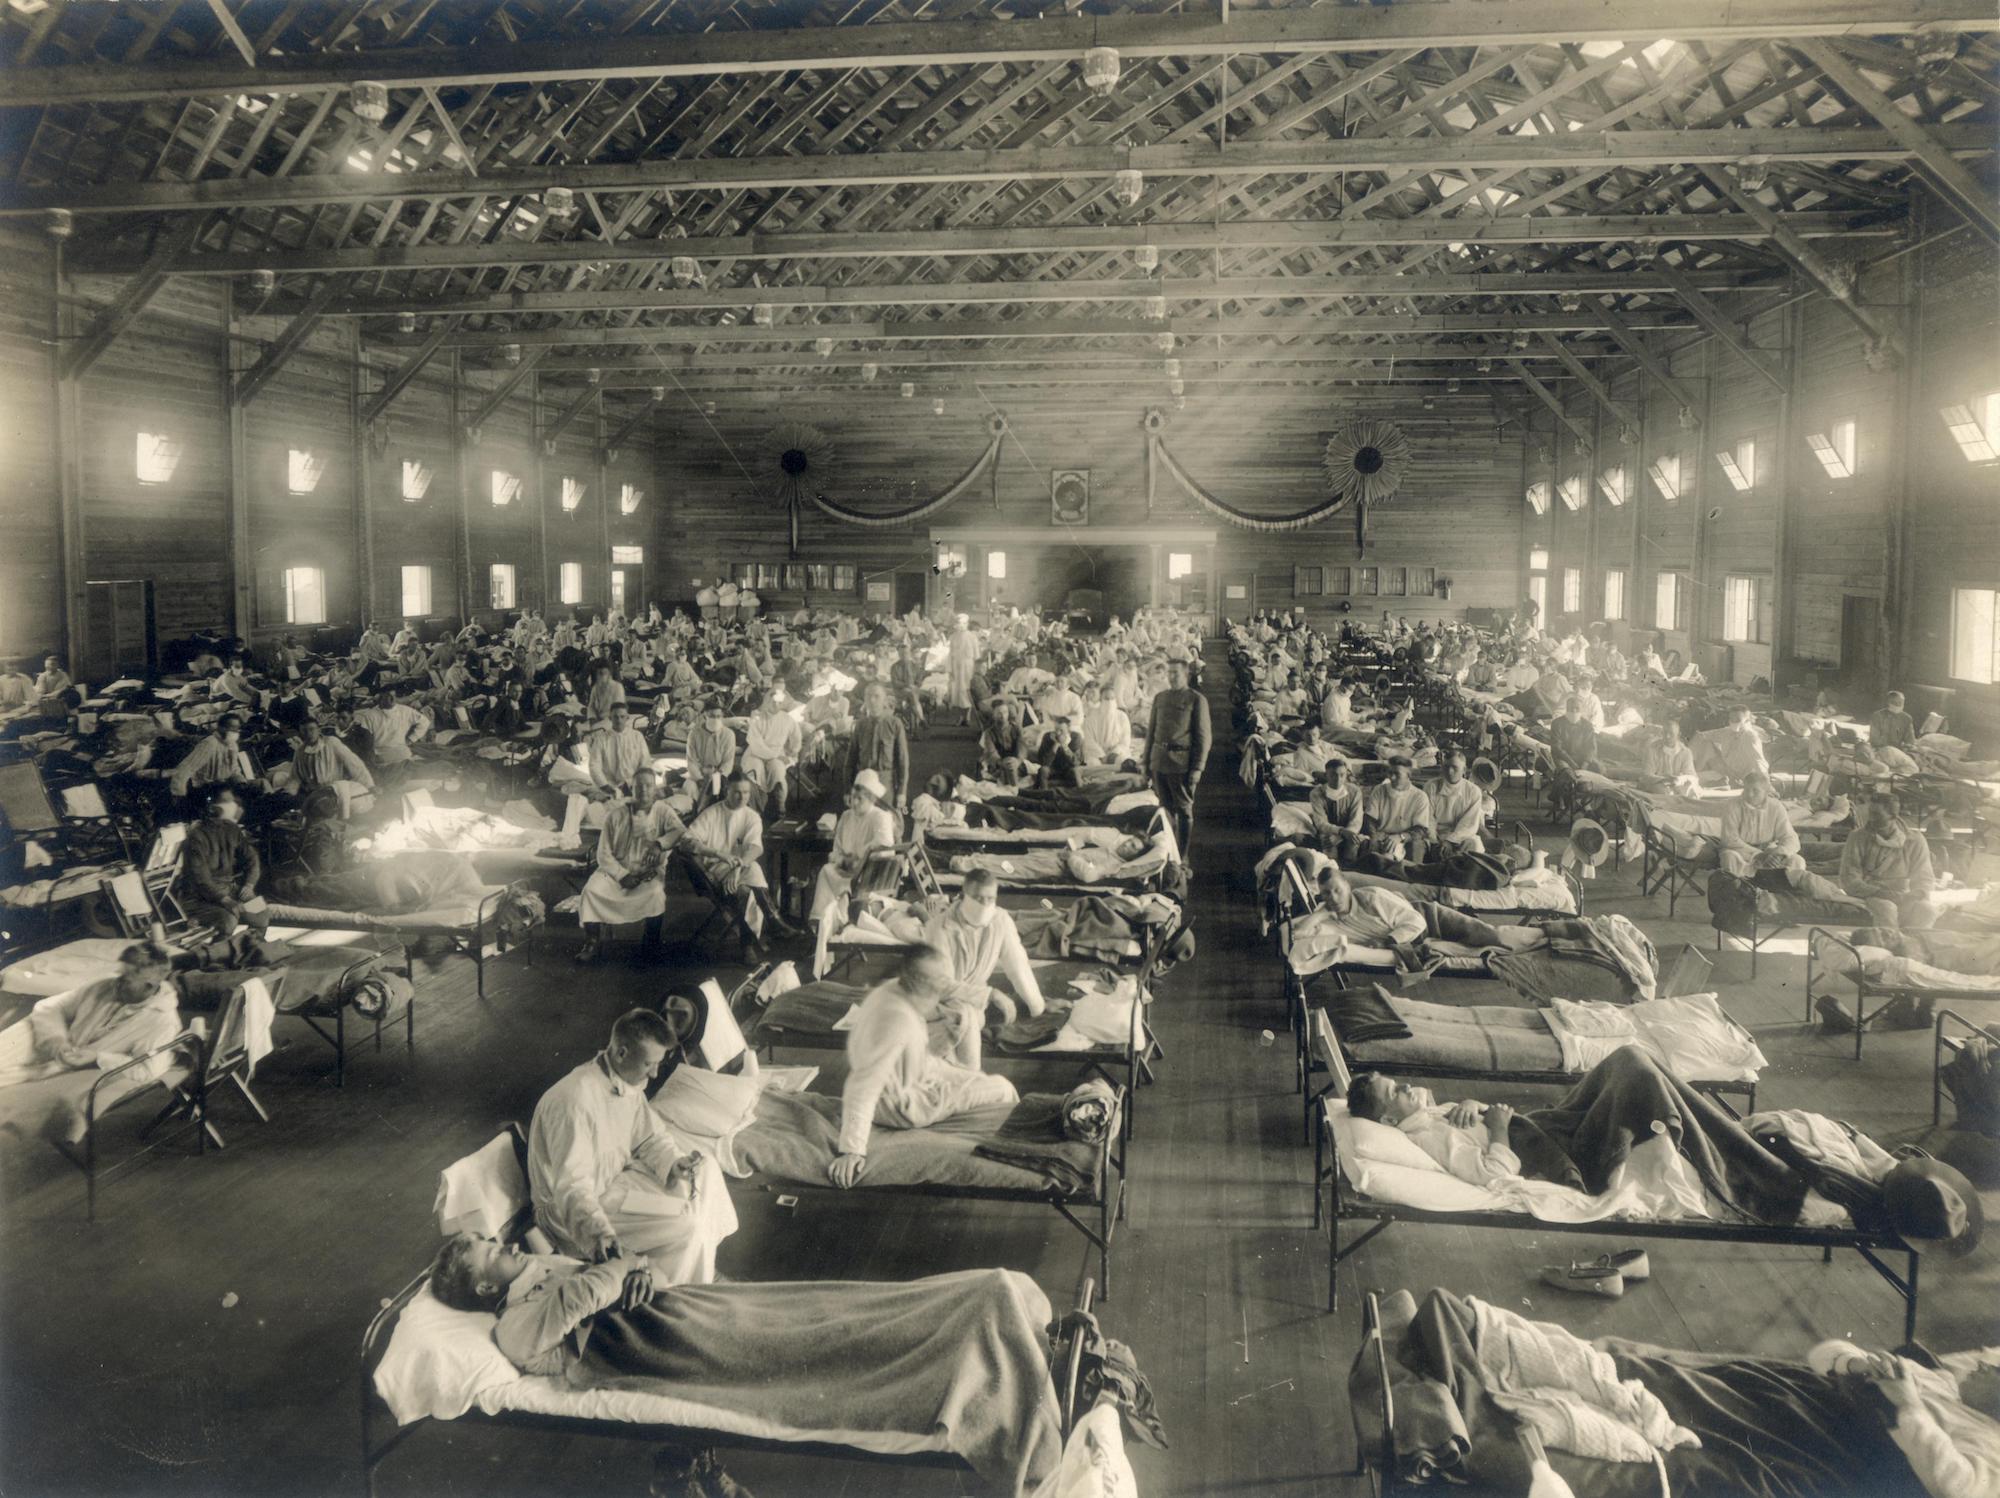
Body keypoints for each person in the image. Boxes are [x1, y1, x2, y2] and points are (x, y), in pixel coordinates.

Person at [527, 1009, 737, 1285]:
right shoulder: (573, 1102)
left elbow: (650, 1138)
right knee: (687, 1225)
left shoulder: (626, 1080)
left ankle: (701, 1264)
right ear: (622, 1053)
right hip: (571, 1213)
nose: (655, 1073)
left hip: (612, 1185)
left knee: (706, 1167)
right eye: (649, 1064)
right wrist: (598, 1233)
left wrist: (674, 1163)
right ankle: (683, 1294)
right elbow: (572, 1188)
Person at [829, 945, 1021, 1188]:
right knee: (1003, 1088)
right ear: (920, 984)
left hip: (913, 1077)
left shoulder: (894, 990)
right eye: (935, 986)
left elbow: (945, 986)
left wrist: (990, 994)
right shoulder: (897, 1020)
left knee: (977, 1077)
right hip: (903, 1106)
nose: (940, 991)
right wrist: (852, 1150)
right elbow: (862, 1086)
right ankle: (1011, 1154)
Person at [921, 869, 1047, 1069]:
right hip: (936, 1002)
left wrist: (1037, 1008)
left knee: (968, 1014)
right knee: (964, 1016)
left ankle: (962, 1078)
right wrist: (991, 994)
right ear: (964, 895)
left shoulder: (1000, 920)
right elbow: (940, 985)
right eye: (979, 898)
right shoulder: (938, 928)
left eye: (991, 898)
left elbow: (1018, 965)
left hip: (973, 1002)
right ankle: (970, 1076)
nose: (986, 905)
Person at [576, 768, 685, 963]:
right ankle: (592, 941)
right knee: (591, 891)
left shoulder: (663, 811)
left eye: (648, 786)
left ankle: (651, 944)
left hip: (647, 872)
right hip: (614, 871)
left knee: (655, 895)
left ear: (655, 788)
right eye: (639, 786)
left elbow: (679, 831)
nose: (644, 790)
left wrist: (660, 844)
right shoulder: (615, 815)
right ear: (631, 789)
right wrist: (621, 875)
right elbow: (603, 853)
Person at [684, 775, 795, 945]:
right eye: (737, 792)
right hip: (716, 869)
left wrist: (737, 868)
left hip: (740, 867)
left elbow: (756, 848)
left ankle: (771, 924)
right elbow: (687, 841)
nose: (742, 797)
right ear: (726, 790)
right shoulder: (711, 813)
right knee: (745, 892)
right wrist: (718, 854)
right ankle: (752, 941)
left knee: (753, 869)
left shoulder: (751, 816)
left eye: (746, 793)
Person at [175, 787, 268, 938]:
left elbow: (252, 859)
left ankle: (250, 949)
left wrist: (249, 885)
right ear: (212, 807)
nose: (233, 805)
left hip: (229, 889)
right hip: (198, 897)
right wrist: (225, 900)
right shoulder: (196, 836)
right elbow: (201, 879)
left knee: (261, 912)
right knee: (228, 920)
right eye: (227, 802)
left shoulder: (232, 829)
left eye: (233, 801)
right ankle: (220, 955)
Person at [1837, 795, 1938, 931]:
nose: (1870, 819)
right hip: (1871, 893)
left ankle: (1911, 946)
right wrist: (1882, 893)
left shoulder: (1914, 840)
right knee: (1887, 909)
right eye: (1870, 814)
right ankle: (1888, 946)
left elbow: (1924, 876)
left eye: (1877, 815)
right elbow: (1849, 879)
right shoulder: (1857, 838)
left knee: (1927, 911)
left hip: (1904, 893)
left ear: (1893, 817)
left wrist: (1916, 894)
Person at [811, 769, 900, 919]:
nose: (855, 803)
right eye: (853, 798)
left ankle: (841, 918)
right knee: (826, 871)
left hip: (868, 874)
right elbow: (836, 849)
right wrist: (842, 861)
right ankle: (822, 920)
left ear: (871, 798)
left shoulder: (880, 816)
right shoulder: (846, 816)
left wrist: (862, 857)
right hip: (845, 869)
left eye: (860, 798)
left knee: (845, 885)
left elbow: (886, 849)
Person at [1145, 659, 1210, 860]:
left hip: (1181, 763)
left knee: (1183, 810)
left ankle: (1183, 856)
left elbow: (1203, 738)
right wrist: (1146, 762)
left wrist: (1197, 768)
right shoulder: (1160, 698)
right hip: (1159, 761)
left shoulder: (1196, 700)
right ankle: (1169, 853)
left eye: (1176, 673)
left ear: (1186, 675)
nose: (1171, 676)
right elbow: (1151, 732)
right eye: (1169, 672)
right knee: (1164, 810)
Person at [1717, 771, 1802, 877]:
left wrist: (1779, 854)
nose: (1750, 794)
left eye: (1755, 791)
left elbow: (1790, 837)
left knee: (1797, 861)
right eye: (1746, 789)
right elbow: (1729, 839)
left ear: (1766, 792)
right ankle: (1742, 888)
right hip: (1740, 851)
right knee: (1729, 859)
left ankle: (1781, 887)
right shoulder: (1732, 805)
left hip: (1769, 851)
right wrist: (1758, 855)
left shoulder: (1776, 807)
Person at [287, 717, 374, 815]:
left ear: (318, 730)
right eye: (304, 731)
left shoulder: (331, 742)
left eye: (311, 729)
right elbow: (294, 777)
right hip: (313, 794)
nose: (308, 734)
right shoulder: (300, 752)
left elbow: (354, 764)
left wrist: (369, 786)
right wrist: (289, 793)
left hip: (334, 792)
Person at [844, 681, 909, 809]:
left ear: (885, 700)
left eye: (877, 696)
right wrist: (847, 790)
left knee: (887, 821)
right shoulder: (860, 725)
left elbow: (902, 761)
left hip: (886, 780)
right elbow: (850, 761)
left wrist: (902, 791)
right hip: (863, 779)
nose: (872, 700)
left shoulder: (895, 724)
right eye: (868, 696)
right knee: (862, 821)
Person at [169, 712, 260, 802]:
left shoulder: (232, 745)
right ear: (221, 728)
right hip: (207, 788)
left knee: (261, 785)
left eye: (237, 729)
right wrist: (178, 794)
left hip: (225, 785)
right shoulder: (209, 744)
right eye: (232, 729)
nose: (235, 732)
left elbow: (234, 769)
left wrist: (241, 782)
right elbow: (186, 767)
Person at [1363, 756, 1434, 865]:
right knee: (1373, 854)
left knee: (1415, 848)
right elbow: (1369, 820)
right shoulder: (1379, 790)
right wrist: (1376, 837)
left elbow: (1421, 829)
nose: (1392, 777)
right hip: (1382, 836)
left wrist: (1400, 837)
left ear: (1408, 775)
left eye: (1397, 774)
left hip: (1408, 838)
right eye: (1390, 773)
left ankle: (1411, 876)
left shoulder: (1420, 796)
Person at [741, 689, 801, 817]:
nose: (776, 706)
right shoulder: (758, 717)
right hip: (755, 753)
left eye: (779, 703)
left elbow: (796, 737)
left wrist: (793, 752)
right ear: (767, 702)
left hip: (777, 754)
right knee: (754, 771)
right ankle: (755, 808)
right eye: (773, 702)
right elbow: (756, 744)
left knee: (778, 771)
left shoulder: (787, 719)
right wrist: (777, 755)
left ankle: (780, 806)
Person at [1426, 749, 1491, 856]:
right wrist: (1434, 841)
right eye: (1446, 767)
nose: (1450, 771)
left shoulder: (1473, 791)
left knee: (1475, 845)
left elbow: (1469, 823)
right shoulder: (1431, 786)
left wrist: (1450, 841)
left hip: (1462, 835)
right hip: (1436, 834)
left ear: (1464, 770)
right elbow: (1428, 818)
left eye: (1455, 768)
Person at [587, 702, 652, 798]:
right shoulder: (601, 738)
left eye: (622, 717)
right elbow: (594, 765)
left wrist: (637, 784)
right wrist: (605, 785)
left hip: (634, 785)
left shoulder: (637, 736)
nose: (619, 720)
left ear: (627, 718)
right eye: (615, 717)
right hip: (610, 786)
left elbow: (645, 762)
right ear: (610, 718)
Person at [1309, 758, 1365, 863]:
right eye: (1333, 775)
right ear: (1326, 776)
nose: (1338, 779)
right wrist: (1340, 832)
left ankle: (1349, 871)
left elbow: (1356, 820)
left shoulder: (1355, 791)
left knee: (1352, 844)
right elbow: (1321, 823)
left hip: (1350, 832)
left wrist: (1341, 836)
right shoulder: (1316, 793)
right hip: (1327, 832)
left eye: (1342, 775)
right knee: (1328, 844)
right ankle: (1331, 869)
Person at [350, 690, 425, 767]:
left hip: (403, 754)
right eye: (389, 696)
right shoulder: (369, 715)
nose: (393, 698)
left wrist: (411, 739)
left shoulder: (404, 710)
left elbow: (424, 722)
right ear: (381, 697)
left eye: (394, 696)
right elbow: (366, 743)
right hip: (382, 756)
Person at [683, 702, 737, 808]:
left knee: (715, 795)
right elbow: (691, 760)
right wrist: (699, 779)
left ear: (722, 716)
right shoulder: (694, 734)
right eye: (712, 716)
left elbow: (728, 762)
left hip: (718, 775)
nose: (715, 719)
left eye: (718, 716)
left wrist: (717, 778)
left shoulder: (728, 735)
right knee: (689, 788)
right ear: (705, 715)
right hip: (698, 773)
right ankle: (693, 816)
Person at [1076, 681, 1132, 767]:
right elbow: (1088, 740)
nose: (1109, 702)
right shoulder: (1091, 717)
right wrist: (1101, 755)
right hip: (1095, 754)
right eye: (1106, 698)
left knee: (1122, 762)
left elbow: (1125, 739)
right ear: (1101, 699)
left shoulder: (1122, 716)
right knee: (1093, 764)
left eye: (1112, 698)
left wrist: (1114, 753)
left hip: (1116, 753)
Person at [1643, 719, 1700, 792]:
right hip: (1658, 785)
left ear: (1678, 735)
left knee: (1689, 790)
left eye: (1671, 734)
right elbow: (1647, 774)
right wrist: (1664, 780)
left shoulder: (1686, 752)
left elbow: (1692, 776)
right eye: (1665, 733)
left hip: (1678, 786)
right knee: (1664, 792)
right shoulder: (1652, 749)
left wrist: (1680, 779)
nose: (1667, 736)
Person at [1548, 695, 1600, 776]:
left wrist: (1585, 764)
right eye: (1571, 708)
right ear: (1566, 708)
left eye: (1577, 708)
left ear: (1582, 709)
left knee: (1599, 770)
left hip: (1581, 759)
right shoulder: (1557, 723)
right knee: (1567, 773)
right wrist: (1572, 764)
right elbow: (1557, 748)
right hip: (1563, 758)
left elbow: (1591, 747)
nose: (1574, 711)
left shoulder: (1587, 725)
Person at [946, 616, 980, 725]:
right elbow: (949, 655)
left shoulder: (972, 637)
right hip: (956, 666)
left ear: (967, 624)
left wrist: (975, 671)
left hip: (968, 667)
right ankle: (960, 717)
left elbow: (976, 655)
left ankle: (968, 717)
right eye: (959, 623)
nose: (961, 625)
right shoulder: (953, 637)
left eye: (964, 623)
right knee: (957, 692)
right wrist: (950, 669)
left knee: (967, 690)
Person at [1031, 718, 1081, 790]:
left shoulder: (1076, 737)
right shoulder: (1047, 737)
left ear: (1068, 729)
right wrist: (1055, 745)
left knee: (1076, 771)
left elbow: (1076, 762)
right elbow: (1044, 763)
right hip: (1053, 769)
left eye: (1061, 730)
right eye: (1056, 730)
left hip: (1069, 769)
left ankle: (1081, 794)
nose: (1058, 733)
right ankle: (1045, 795)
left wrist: (1064, 746)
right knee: (1043, 770)